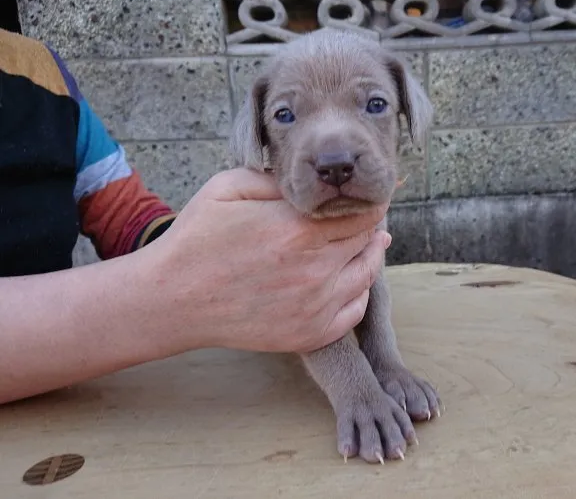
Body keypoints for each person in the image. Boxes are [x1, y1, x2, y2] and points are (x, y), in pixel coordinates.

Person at [0, 28, 391, 405]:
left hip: (79, 397)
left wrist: (203, 251)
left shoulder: (42, 72)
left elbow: (126, 219)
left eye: (374, 105)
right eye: (286, 115)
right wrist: (176, 294)